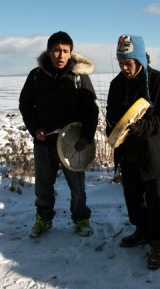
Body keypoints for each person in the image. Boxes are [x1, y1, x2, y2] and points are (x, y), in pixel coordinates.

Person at [19, 31, 99, 238]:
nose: (60, 55)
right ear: (49, 52)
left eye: (65, 51)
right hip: (44, 142)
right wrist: (35, 128)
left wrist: (86, 137)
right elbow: (25, 104)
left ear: (71, 53)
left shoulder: (79, 77)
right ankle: (43, 219)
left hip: (72, 143)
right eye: (56, 50)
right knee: (43, 187)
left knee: (78, 188)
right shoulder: (36, 76)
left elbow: (91, 109)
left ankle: (81, 218)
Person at [106, 34, 160, 269]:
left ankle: (158, 241)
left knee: (156, 200)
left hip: (154, 153)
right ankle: (141, 231)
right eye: (121, 63)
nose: (124, 68)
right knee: (133, 198)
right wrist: (112, 129)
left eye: (129, 63)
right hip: (128, 154)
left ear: (139, 60)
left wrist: (142, 127)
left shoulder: (159, 82)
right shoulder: (117, 84)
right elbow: (111, 114)